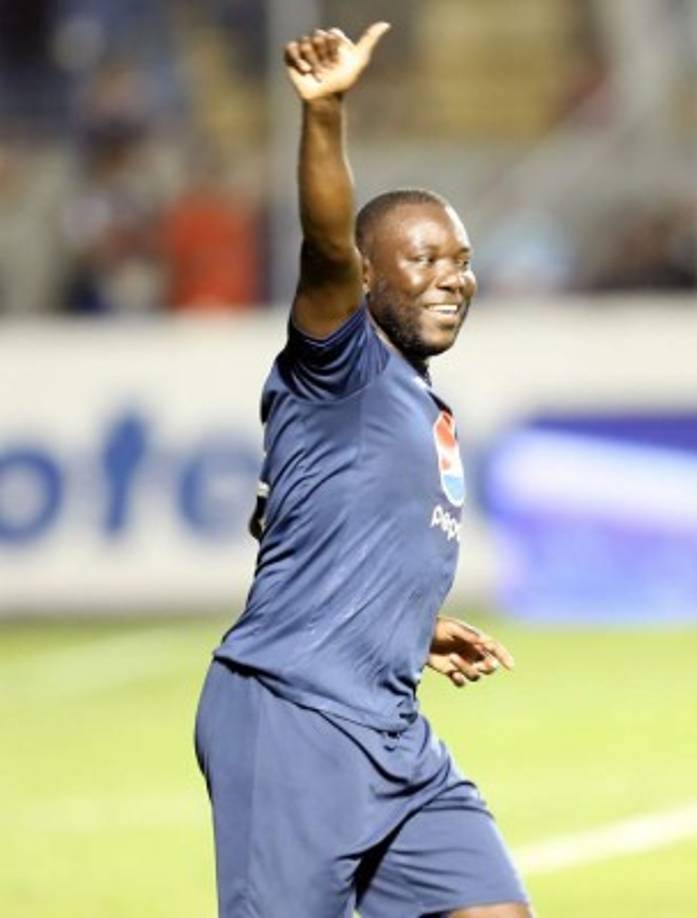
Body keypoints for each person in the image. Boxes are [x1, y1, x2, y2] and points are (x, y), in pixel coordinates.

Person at [194, 22, 533, 918]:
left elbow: (325, 539)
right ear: (370, 278)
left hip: (391, 727)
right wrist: (325, 113)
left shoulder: (421, 403)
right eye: (423, 259)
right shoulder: (339, 365)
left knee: (493, 909)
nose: (451, 278)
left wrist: (409, 626)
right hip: (295, 716)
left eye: (461, 262)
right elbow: (324, 246)